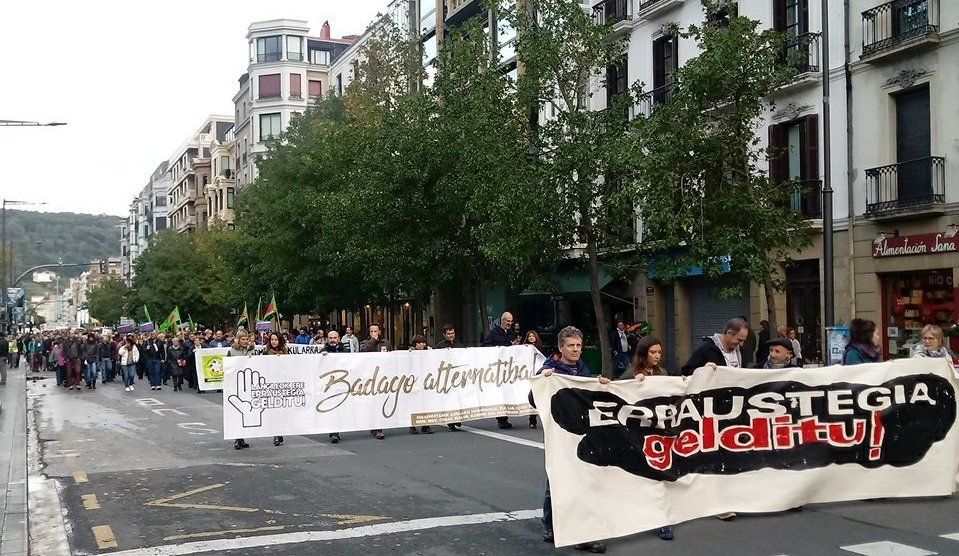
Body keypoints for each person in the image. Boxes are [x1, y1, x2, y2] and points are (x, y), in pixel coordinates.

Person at [532, 326, 610, 553]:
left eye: (578, 345)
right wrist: (542, 381)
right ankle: (551, 524)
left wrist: (600, 384)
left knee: (583, 479)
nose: (576, 350)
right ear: (561, 347)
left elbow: (589, 394)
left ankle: (580, 530)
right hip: (559, 433)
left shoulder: (582, 369)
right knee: (556, 479)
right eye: (571, 346)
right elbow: (533, 398)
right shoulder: (550, 369)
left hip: (582, 432)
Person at [482, 311, 518, 429]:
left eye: (511, 321)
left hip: (510, 368)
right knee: (501, 393)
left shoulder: (512, 333)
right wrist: (504, 345)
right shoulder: (494, 333)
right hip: (498, 368)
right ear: (502, 320)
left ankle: (506, 416)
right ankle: (501, 419)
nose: (510, 323)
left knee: (509, 393)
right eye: (508, 321)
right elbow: (485, 346)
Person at [681, 318, 749, 375]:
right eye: (739, 340)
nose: (741, 344)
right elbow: (686, 372)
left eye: (743, 340)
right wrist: (703, 370)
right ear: (729, 333)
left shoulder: (740, 351)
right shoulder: (705, 349)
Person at [360, 323, 390, 440]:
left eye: (375, 331)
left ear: (380, 332)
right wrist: (372, 341)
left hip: (383, 376)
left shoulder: (385, 343)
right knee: (372, 402)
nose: (374, 333)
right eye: (371, 331)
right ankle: (373, 425)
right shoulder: (364, 343)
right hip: (369, 377)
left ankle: (379, 428)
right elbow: (363, 352)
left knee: (380, 402)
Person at [227, 331, 257, 449]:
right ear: (238, 340)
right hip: (236, 384)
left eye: (247, 339)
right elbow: (228, 367)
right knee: (237, 412)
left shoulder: (252, 350)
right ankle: (237, 438)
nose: (245, 341)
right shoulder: (232, 351)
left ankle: (242, 437)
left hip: (249, 383)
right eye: (243, 339)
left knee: (247, 410)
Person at [408, 335, 434, 435]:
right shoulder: (411, 352)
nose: (423, 344)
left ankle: (425, 425)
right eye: (420, 343)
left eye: (423, 342)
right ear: (415, 344)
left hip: (424, 380)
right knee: (414, 403)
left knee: (425, 403)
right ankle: (412, 426)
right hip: (414, 380)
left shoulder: (426, 352)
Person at [264, 332, 288, 446]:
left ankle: (280, 433)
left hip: (282, 384)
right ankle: (276, 435)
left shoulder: (286, 352)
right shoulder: (265, 352)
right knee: (273, 412)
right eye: (272, 339)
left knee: (281, 412)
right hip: (270, 385)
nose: (273, 341)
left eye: (276, 339)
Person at [523, 330, 549, 429]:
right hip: (528, 375)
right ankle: (532, 420)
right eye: (529, 336)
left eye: (533, 336)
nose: (531, 338)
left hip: (538, 374)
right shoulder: (524, 348)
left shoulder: (540, 348)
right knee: (532, 397)